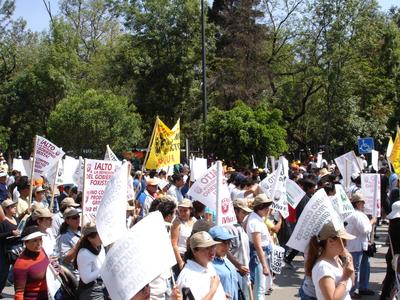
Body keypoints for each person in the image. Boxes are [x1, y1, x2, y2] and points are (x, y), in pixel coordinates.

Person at [305, 222, 355, 300]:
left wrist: (350, 262)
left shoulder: (337, 259)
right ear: (330, 241)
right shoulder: (323, 267)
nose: (346, 244)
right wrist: (345, 277)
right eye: (343, 241)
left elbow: (352, 282)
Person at [177, 231, 227, 299]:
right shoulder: (188, 276)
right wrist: (213, 289)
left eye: (213, 246)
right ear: (194, 251)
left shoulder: (209, 265)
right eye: (206, 248)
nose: (212, 251)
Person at [344, 192, 375, 297]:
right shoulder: (356, 214)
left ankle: (362, 287)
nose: (364, 204)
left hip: (360, 245)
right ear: (357, 203)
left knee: (364, 267)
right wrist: (371, 222)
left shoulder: (357, 213)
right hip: (355, 245)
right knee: (355, 269)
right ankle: (351, 291)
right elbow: (365, 229)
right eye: (362, 202)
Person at [246, 193, 273, 299]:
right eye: (266, 207)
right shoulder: (255, 222)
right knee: (259, 288)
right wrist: (265, 265)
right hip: (258, 257)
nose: (268, 209)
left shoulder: (257, 218)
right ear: (260, 207)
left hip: (262, 255)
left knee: (261, 287)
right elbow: (257, 246)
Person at [13, 225, 49, 300]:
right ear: (26, 243)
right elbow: (19, 293)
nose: (39, 243)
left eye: (40, 239)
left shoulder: (42, 251)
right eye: (35, 240)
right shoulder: (21, 264)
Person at [75, 221, 106, 299]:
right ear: (89, 238)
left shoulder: (100, 246)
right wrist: (104, 268)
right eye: (98, 235)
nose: (102, 236)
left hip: (102, 284)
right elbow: (86, 279)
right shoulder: (84, 254)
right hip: (90, 290)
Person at [209, 226, 239, 300]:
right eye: (223, 242)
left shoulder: (226, 259)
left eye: (228, 242)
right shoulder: (208, 265)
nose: (226, 246)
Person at [0, 199, 20, 296]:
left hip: (15, 250)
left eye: (14, 206)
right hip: (4, 251)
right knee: (2, 273)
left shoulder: (16, 219)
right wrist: (10, 233)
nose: (14, 208)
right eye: (12, 207)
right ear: (6, 209)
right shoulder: (2, 222)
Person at [381, 201, 400, 299]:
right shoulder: (398, 225)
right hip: (398, 257)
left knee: (390, 278)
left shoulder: (393, 223)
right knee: (393, 279)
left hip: (392, 255)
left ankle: (385, 296)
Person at [171, 199, 196, 272]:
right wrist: (180, 262)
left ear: (190, 210)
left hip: (192, 257)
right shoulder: (176, 223)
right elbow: (174, 244)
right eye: (180, 210)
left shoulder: (194, 220)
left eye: (185, 210)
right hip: (181, 257)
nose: (182, 213)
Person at [57, 207, 81, 281]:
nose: (77, 219)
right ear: (67, 220)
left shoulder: (83, 231)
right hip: (75, 275)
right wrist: (79, 243)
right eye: (74, 217)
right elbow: (66, 259)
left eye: (78, 216)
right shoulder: (64, 237)